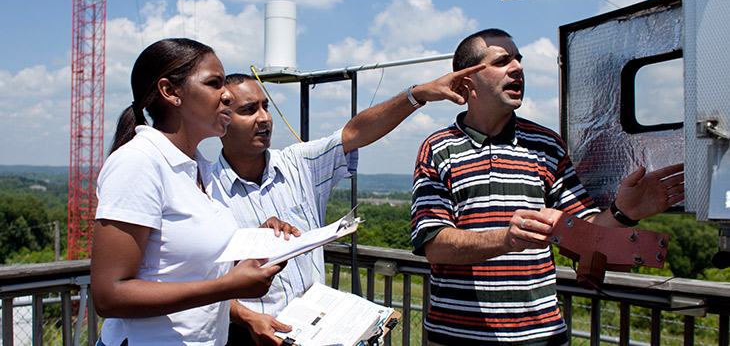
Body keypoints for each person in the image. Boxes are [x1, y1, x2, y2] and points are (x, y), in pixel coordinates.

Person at [410, 28, 685, 345]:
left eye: (519, 60)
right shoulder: (438, 148)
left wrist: (625, 212)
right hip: (456, 337)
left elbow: (585, 233)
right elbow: (434, 245)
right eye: (502, 61)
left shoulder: (547, 145)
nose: (518, 68)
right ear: (467, 82)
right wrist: (506, 239)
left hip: (542, 336)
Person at [210, 66, 486, 345]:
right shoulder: (204, 188)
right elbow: (193, 278)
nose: (264, 118)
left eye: (265, 107)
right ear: (222, 120)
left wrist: (417, 95)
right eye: (248, 110)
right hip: (247, 335)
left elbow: (355, 132)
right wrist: (245, 316)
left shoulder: (298, 164)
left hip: (314, 332)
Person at [90, 38, 287, 346]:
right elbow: (110, 295)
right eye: (214, 83)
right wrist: (227, 287)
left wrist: (258, 244)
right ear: (170, 91)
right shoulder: (139, 162)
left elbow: (186, 265)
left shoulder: (200, 170)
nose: (227, 95)